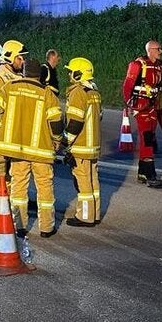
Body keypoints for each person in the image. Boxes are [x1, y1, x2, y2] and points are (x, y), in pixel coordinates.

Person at [0, 59, 64, 238]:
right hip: (41, 151)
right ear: (40, 75)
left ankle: (20, 226)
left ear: (23, 72)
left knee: (19, 187)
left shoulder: (9, 87)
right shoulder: (47, 94)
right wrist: (57, 140)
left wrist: (1, 127)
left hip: (17, 149)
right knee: (45, 188)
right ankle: (47, 228)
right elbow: (55, 123)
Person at [61, 57, 103, 227]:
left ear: (78, 74)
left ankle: (85, 216)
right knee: (93, 181)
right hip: (93, 146)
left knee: (83, 182)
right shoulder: (94, 92)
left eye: (71, 72)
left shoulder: (78, 92)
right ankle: (95, 213)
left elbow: (75, 123)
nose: (69, 75)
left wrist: (65, 143)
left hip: (81, 146)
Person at [122, 40, 162, 188]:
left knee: (148, 138)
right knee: (148, 139)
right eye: (158, 49)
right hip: (141, 107)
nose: (161, 52)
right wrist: (131, 105)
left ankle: (142, 173)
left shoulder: (159, 66)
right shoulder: (138, 65)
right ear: (150, 50)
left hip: (153, 106)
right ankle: (150, 176)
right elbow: (127, 87)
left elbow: (160, 84)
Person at [0, 40, 27, 179]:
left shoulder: (19, 75)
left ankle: (15, 191)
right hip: (3, 125)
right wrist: (3, 129)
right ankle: (3, 191)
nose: (23, 61)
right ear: (10, 57)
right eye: (19, 58)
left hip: (16, 123)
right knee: (3, 159)